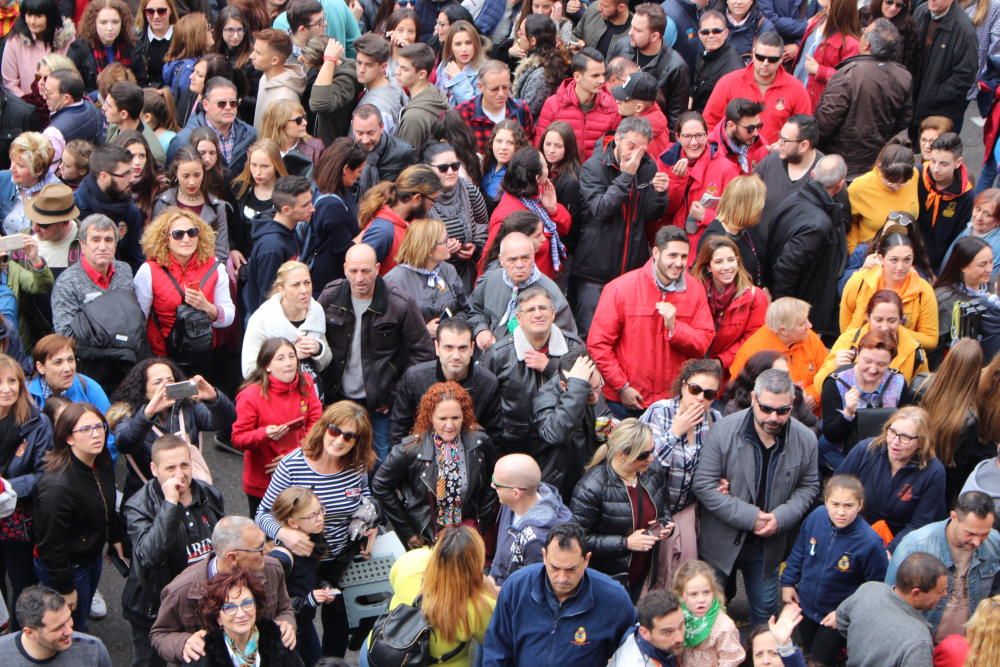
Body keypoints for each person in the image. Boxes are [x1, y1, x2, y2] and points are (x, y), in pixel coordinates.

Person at [691, 368, 820, 625]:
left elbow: (810, 486)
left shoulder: (805, 439)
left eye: (782, 411)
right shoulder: (724, 430)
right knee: (709, 616)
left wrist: (780, 517)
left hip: (767, 548)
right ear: (753, 398)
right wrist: (751, 517)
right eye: (766, 409)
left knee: (765, 616)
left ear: (792, 404)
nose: (773, 417)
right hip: (720, 544)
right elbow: (703, 484)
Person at [318, 243, 434, 461]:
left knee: (379, 459)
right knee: (335, 456)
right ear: (344, 269)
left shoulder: (399, 303)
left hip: (380, 403)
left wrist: (394, 395)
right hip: (337, 397)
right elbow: (314, 338)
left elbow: (423, 353)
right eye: (353, 271)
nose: (359, 278)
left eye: (366, 271)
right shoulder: (331, 296)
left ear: (378, 268)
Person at [121, 434, 225, 667]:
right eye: (170, 468)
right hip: (155, 606)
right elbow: (149, 557)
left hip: (200, 601)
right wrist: (170, 505)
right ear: (154, 469)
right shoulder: (138, 506)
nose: (180, 474)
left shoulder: (210, 495)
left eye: (185, 465)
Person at [588, 226, 714, 417]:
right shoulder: (620, 288)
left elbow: (703, 343)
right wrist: (622, 386)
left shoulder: (695, 290)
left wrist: (675, 328)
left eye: (683, 256)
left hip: (673, 402)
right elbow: (598, 344)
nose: (679, 263)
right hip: (628, 402)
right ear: (656, 253)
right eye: (672, 255)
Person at [481, 522, 638, 667]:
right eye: (555, 568)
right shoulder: (517, 588)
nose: (562, 578)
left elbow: (634, 650)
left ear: (586, 560)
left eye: (571, 569)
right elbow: (496, 649)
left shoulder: (614, 600)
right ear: (544, 556)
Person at [151, 516, 296, 665]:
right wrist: (184, 643)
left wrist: (286, 623)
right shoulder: (180, 591)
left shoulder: (272, 569)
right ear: (232, 557)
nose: (267, 551)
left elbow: (284, 608)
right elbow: (160, 634)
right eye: (259, 548)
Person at [779, 475, 889, 665]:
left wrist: (845, 613)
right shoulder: (816, 517)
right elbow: (800, 550)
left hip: (834, 617)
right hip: (805, 606)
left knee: (820, 661)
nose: (840, 512)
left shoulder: (870, 543)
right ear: (826, 501)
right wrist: (788, 581)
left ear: (860, 505)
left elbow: (874, 589)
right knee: (805, 653)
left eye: (848, 506)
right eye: (835, 504)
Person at [573, 116, 668, 335]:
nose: (635, 154)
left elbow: (651, 213)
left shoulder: (647, 165)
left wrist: (660, 194)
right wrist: (626, 176)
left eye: (641, 149)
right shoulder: (594, 167)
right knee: (592, 334)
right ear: (617, 138)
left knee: (626, 335)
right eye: (630, 146)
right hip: (595, 269)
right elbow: (601, 209)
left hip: (632, 267)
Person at [33, 403, 122, 632]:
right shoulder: (57, 486)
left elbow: (107, 501)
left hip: (91, 554)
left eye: (99, 426)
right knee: (70, 625)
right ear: (69, 438)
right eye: (85, 429)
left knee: (80, 611)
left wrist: (114, 536)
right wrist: (64, 586)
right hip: (69, 565)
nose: (96, 434)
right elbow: (50, 545)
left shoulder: (99, 461)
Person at [373, 381, 496, 546]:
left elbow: (493, 482)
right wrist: (408, 532)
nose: (450, 425)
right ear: (430, 417)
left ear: (464, 416)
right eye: (442, 418)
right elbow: (380, 485)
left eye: (455, 418)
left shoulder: (479, 442)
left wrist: (482, 523)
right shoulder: (410, 449)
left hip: (467, 534)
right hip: (428, 538)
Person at [361, 525, 495, 667]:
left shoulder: (412, 560)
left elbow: (393, 578)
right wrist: (491, 590)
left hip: (380, 653)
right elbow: (495, 639)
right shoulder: (478, 605)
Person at [640, 360, 722, 586]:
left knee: (681, 577)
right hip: (653, 506)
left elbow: (717, 465)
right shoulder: (659, 412)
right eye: (695, 389)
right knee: (650, 574)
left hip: (686, 508)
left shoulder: (715, 419)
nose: (699, 398)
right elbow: (643, 464)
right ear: (684, 386)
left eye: (708, 394)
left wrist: (721, 481)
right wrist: (676, 432)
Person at [570, 419, 672, 601]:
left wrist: (664, 525)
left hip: (644, 573)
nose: (651, 458)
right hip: (606, 580)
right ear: (622, 454)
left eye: (652, 451)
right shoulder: (592, 486)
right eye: (643, 455)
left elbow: (664, 508)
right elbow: (578, 539)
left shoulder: (653, 472)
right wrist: (625, 543)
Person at [110, 358, 234, 501]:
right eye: (158, 382)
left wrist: (214, 398)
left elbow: (225, 420)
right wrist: (147, 415)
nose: (166, 386)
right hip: (148, 498)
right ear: (143, 389)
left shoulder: (187, 406)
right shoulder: (127, 413)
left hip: (188, 493)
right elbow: (125, 444)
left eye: (170, 380)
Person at [482, 286, 584, 455]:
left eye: (543, 308)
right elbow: (486, 404)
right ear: (519, 317)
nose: (538, 314)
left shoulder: (573, 346)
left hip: (563, 446)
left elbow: (587, 390)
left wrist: (551, 368)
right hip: (514, 445)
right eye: (530, 310)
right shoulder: (499, 354)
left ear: (553, 313)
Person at [887, 491, 1000, 641]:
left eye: (984, 533)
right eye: (970, 533)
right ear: (954, 517)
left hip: (970, 646)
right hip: (924, 644)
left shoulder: (995, 543)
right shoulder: (914, 545)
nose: (977, 542)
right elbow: (890, 603)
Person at [49, 213, 146, 387]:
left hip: (128, 365)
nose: (103, 246)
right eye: (95, 240)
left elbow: (134, 319)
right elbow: (67, 336)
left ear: (116, 245)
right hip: (89, 370)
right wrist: (116, 342)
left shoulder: (124, 270)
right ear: (83, 245)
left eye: (108, 240)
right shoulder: (67, 282)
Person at [134, 207, 233, 372]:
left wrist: (207, 307)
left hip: (204, 355)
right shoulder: (148, 271)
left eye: (192, 232)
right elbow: (139, 321)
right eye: (178, 234)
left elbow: (229, 316)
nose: (186, 239)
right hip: (163, 358)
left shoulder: (215, 266)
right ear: (165, 238)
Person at [836, 406, 947, 552]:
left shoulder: (933, 472)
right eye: (892, 432)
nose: (895, 441)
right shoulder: (865, 450)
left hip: (902, 544)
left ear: (921, 442)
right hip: (854, 532)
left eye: (905, 437)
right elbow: (837, 490)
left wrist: (890, 551)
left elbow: (919, 524)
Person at [232, 338, 322, 517]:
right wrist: (264, 434)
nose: (288, 363)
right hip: (264, 481)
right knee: (266, 535)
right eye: (280, 358)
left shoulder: (306, 381)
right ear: (267, 366)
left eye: (291, 356)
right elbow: (238, 438)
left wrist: (294, 457)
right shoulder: (250, 395)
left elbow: (316, 422)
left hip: (300, 474)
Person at [815, 19, 912, 180]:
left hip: (841, 164)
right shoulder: (904, 77)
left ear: (866, 44)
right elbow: (904, 119)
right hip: (875, 161)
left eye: (864, 32)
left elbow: (825, 123)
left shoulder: (848, 75)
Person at [767, 154, 848, 341]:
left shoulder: (792, 200)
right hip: (802, 309)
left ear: (812, 174)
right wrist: (786, 311)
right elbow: (786, 267)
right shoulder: (818, 225)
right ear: (841, 184)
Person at [0, 354, 53, 618]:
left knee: (23, 584)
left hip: (19, 521)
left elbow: (44, 474)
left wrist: (6, 487)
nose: (6, 388)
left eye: (12, 381)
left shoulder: (37, 422)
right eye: (0, 382)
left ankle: (22, 639)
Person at [391, 318, 501, 443]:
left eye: (462, 348)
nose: (456, 356)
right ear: (437, 347)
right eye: (449, 347)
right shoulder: (414, 378)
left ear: (472, 348)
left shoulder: (488, 383)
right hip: (421, 454)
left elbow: (493, 437)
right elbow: (399, 431)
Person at [818, 331, 910, 472]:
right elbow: (831, 435)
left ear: (890, 361)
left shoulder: (897, 381)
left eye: (881, 364)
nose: (873, 369)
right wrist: (848, 413)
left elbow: (907, 421)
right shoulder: (836, 382)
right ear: (857, 354)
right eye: (867, 361)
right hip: (842, 452)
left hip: (885, 451)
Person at [836, 552, 948, 667]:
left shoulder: (869, 589)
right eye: (939, 591)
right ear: (916, 593)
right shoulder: (918, 641)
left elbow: (840, 620)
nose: (945, 594)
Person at [468, 232, 577, 348]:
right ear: (501, 260)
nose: (519, 265)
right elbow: (473, 310)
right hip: (488, 360)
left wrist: (544, 362)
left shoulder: (551, 293)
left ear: (533, 256)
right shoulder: (491, 280)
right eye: (512, 260)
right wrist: (481, 330)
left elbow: (568, 341)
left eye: (525, 258)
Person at [703, 31, 812, 146]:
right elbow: (709, 123)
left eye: (772, 59)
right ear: (753, 54)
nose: (765, 63)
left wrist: (784, 146)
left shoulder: (796, 89)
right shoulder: (728, 82)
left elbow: (804, 130)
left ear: (781, 59)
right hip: (733, 159)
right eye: (760, 57)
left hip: (776, 159)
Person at [266, 485, 333, 667]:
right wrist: (309, 599)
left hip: (304, 622)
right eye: (313, 515)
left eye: (321, 510)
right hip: (287, 629)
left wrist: (323, 585)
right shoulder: (281, 558)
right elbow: (272, 604)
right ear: (293, 523)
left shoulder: (313, 537)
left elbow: (312, 576)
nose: (320, 518)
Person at [841, 232, 939, 350]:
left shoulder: (923, 291)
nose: (900, 267)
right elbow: (846, 323)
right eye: (894, 260)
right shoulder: (859, 281)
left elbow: (931, 339)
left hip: (901, 356)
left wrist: (894, 330)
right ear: (881, 258)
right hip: (859, 352)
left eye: (907, 260)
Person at [920, 339, 989, 507]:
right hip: (944, 483)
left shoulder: (922, 386)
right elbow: (963, 463)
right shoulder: (970, 417)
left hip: (917, 466)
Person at [532, 350, 609, 500]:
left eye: (598, 385)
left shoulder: (592, 388)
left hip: (588, 476)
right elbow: (555, 433)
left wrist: (608, 432)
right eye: (588, 392)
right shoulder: (544, 398)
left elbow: (603, 418)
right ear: (564, 386)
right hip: (559, 487)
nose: (595, 396)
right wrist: (578, 389)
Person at [488, 147, 572, 281]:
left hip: (543, 283)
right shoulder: (507, 215)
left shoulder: (538, 196)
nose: (548, 169)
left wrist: (553, 209)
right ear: (538, 177)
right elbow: (489, 261)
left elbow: (565, 227)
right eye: (545, 166)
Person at [488, 453, 573, 586]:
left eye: (497, 483)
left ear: (515, 493)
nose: (492, 485)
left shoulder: (538, 540)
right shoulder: (510, 503)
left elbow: (533, 587)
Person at [816, 289, 928, 390]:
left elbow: (922, 391)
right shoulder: (849, 340)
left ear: (900, 320)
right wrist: (834, 366)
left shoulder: (915, 351)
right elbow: (819, 386)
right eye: (878, 320)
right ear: (868, 317)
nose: (884, 327)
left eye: (892, 320)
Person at [242, 261, 331, 385]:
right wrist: (289, 357)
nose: (304, 290)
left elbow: (325, 361)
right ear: (281, 290)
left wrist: (318, 349)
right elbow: (249, 371)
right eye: (296, 285)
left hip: (311, 395)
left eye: (307, 283)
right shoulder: (263, 318)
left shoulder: (316, 311)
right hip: (276, 398)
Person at [729, 297, 828, 409]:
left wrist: (813, 395)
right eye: (802, 323)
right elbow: (740, 395)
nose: (809, 326)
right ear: (783, 330)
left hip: (810, 417)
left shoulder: (809, 337)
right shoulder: (753, 352)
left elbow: (827, 371)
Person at [663, 111, 741, 251]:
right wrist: (676, 182)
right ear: (678, 137)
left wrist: (706, 216)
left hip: (709, 250)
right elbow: (664, 212)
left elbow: (738, 218)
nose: (694, 143)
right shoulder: (665, 161)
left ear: (707, 134)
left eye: (699, 135)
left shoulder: (726, 168)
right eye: (687, 136)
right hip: (674, 248)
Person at [193, 567, 303, 667]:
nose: (241, 614)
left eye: (247, 604)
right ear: (218, 617)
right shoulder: (203, 655)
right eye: (230, 608)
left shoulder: (277, 641)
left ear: (256, 606)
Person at [605, 3, 691, 129]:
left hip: (650, 133)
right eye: (631, 27)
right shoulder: (621, 46)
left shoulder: (676, 67)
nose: (630, 33)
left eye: (638, 30)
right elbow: (604, 87)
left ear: (655, 36)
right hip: (613, 125)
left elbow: (676, 120)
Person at [692, 235, 768, 371]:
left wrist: (720, 361)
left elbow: (752, 339)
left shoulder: (755, 297)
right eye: (719, 262)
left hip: (733, 372)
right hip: (698, 368)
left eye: (731, 260)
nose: (727, 267)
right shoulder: (695, 292)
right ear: (708, 266)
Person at [384, 218, 469, 336]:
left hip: (447, 348)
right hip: (413, 351)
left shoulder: (448, 270)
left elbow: (464, 309)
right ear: (428, 249)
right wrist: (422, 330)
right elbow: (386, 330)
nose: (449, 242)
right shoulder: (394, 281)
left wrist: (450, 325)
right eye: (444, 241)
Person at [244, 175, 315, 316]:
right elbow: (268, 298)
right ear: (286, 210)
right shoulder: (272, 248)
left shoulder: (288, 230)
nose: (312, 209)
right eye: (305, 205)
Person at [422, 142, 489, 290]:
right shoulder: (421, 199)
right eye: (443, 168)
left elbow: (483, 223)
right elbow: (414, 243)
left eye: (455, 166)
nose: (451, 172)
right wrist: (440, 249)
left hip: (466, 274)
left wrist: (476, 245)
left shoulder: (469, 190)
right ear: (428, 169)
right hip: (432, 277)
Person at [534, 48, 621, 161]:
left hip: (595, 177)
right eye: (595, 76)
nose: (601, 80)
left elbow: (615, 151)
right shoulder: (553, 105)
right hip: (559, 176)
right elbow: (539, 147)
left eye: (603, 75)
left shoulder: (612, 107)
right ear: (577, 76)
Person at [357, 164, 442, 276]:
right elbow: (361, 275)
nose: (433, 205)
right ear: (417, 198)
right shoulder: (382, 232)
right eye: (433, 200)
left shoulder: (410, 222)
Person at [168, 77, 258, 181]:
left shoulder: (250, 135)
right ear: (205, 104)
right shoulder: (183, 140)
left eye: (233, 103)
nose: (228, 108)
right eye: (221, 103)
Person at [72, 143, 145, 270]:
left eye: (131, 172)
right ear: (104, 177)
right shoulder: (75, 208)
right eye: (125, 174)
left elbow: (135, 259)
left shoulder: (130, 211)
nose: (132, 178)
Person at [0, 585, 112, 666]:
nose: (69, 631)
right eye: (58, 628)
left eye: (68, 619)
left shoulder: (93, 650)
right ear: (30, 632)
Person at [911, 0, 978, 133]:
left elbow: (965, 75)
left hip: (940, 113)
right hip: (916, 104)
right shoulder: (921, 12)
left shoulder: (964, 29)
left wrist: (935, 96)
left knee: (936, 151)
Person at [753, 114, 823, 235]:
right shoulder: (771, 161)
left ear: (803, 145)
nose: (778, 143)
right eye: (780, 137)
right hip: (762, 248)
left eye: (784, 140)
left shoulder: (825, 172)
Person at [788, 0, 861, 108]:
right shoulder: (817, 20)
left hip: (818, 105)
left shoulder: (851, 43)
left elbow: (849, 80)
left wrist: (820, 70)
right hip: (795, 92)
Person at [918, 133, 975, 270]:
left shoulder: (966, 195)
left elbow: (957, 238)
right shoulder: (918, 175)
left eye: (944, 164)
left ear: (958, 163)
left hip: (938, 262)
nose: (936, 169)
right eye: (933, 161)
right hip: (908, 252)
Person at [673, 559, 745, 665]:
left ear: (714, 592)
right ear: (681, 596)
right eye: (693, 594)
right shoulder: (678, 618)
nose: (701, 599)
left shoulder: (723, 626)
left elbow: (731, 658)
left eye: (706, 592)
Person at [455, 60, 534, 156]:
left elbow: (529, 142)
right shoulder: (462, 113)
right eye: (494, 89)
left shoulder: (521, 109)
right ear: (480, 87)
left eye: (505, 87)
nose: (501, 94)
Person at [936, 238, 1000, 357]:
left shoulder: (992, 288)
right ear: (963, 266)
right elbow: (937, 347)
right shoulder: (945, 299)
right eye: (982, 264)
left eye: (991, 262)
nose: (989, 269)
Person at [66, 0, 145, 93]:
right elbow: (72, 87)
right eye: (103, 22)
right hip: (92, 103)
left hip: (127, 101)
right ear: (93, 23)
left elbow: (142, 83)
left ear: (122, 23)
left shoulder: (133, 46)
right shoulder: (79, 49)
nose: (110, 28)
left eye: (115, 22)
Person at [0, 0, 73, 98]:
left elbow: (72, 77)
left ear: (50, 16)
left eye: (38, 16)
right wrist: (29, 106)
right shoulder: (15, 41)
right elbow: (9, 83)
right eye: (29, 15)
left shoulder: (67, 40)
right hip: (25, 106)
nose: (32, 21)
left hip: (60, 103)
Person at [0, 132, 61, 237]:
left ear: (38, 170)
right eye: (12, 161)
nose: (12, 168)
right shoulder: (3, 179)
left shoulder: (58, 194)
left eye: (20, 165)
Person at [510, 14, 569, 121]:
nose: (518, 35)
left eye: (522, 33)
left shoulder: (541, 76)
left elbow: (526, 113)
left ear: (533, 41)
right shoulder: (543, 63)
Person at [608, 589, 687, 666]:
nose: (680, 638)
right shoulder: (635, 663)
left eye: (681, 625)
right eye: (667, 632)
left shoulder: (647, 623)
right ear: (645, 633)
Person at [394, 43, 449, 153]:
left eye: (404, 69)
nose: (397, 72)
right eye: (398, 66)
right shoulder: (435, 93)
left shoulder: (413, 118)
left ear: (421, 74)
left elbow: (405, 159)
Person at [250, 29, 307, 133]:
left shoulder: (285, 98)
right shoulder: (264, 78)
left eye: (258, 53)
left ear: (275, 60)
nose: (251, 56)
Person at [610, 70, 672, 160]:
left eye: (624, 99)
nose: (617, 101)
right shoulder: (652, 116)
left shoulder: (641, 137)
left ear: (639, 108)